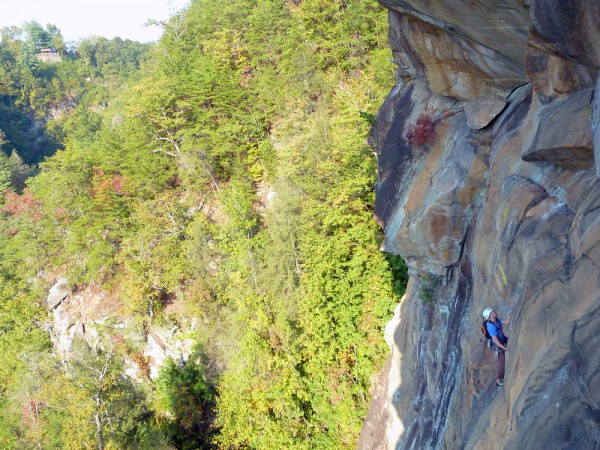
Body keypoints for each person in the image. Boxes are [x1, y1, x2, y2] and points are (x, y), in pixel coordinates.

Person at [482, 307, 510, 387]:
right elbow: (496, 340)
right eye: (493, 311)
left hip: (502, 339)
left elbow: (505, 323)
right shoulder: (491, 326)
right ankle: (498, 380)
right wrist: (504, 348)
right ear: (490, 315)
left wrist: (508, 316)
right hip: (498, 344)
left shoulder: (496, 320)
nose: (495, 311)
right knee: (501, 362)